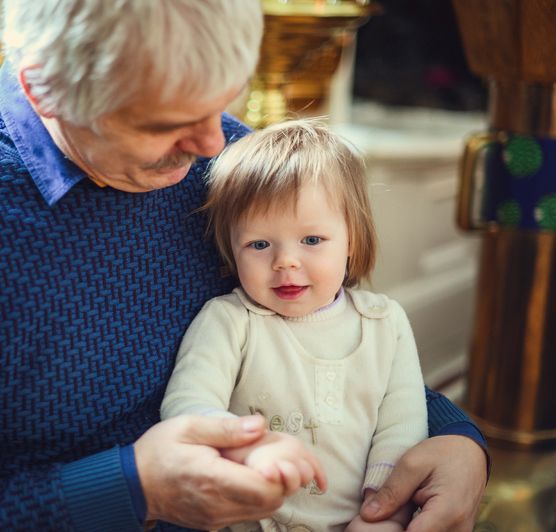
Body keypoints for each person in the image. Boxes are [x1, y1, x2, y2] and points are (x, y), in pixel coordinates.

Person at [0, 1, 488, 530]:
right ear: (44, 88)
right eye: (164, 123)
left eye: (222, 102)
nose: (213, 143)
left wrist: (455, 440)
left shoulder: (220, 158)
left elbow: (332, 323)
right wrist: (130, 488)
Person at [161, 119, 428, 531]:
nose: (285, 261)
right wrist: (247, 447)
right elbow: (187, 405)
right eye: (259, 244)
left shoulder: (385, 323)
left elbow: (403, 424)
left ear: (352, 239)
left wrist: (384, 507)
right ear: (231, 249)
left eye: (312, 240)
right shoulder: (229, 320)